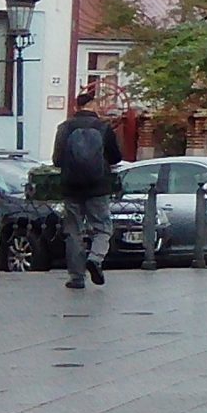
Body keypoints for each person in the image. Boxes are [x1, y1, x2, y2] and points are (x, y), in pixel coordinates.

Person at [51, 88, 122, 291]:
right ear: (93, 105)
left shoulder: (64, 128)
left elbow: (57, 160)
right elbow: (116, 157)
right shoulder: (103, 128)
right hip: (98, 187)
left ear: (76, 106)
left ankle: (76, 277)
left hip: (71, 187)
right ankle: (95, 258)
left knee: (73, 231)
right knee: (103, 227)